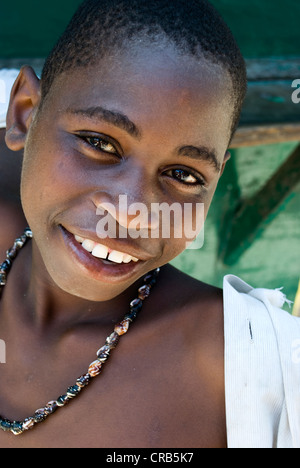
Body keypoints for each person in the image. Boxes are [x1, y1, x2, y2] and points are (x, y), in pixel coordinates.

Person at [0, 0, 299, 449]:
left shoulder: (257, 375)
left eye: (183, 175)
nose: (131, 210)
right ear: (24, 111)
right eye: (100, 143)